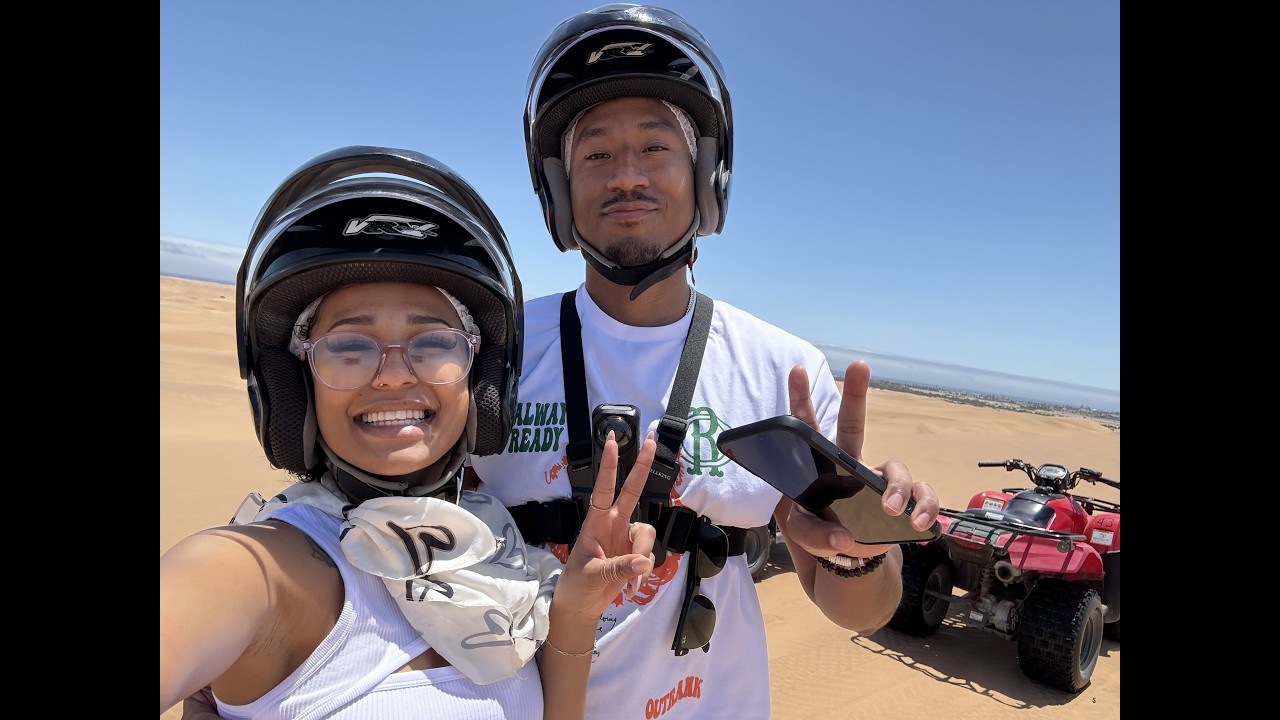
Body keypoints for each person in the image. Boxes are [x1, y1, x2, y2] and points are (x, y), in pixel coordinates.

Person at [464, 5, 943, 719]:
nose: (627, 176)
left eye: (657, 147)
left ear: (707, 173)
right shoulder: (490, 353)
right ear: (561, 189)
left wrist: (858, 543)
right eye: (595, 153)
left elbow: (863, 612)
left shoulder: (781, 371)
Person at [159, 145, 659, 719]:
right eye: (348, 345)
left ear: (483, 379)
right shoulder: (260, 569)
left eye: (434, 342)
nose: (395, 375)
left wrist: (573, 613)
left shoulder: (495, 555)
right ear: (296, 386)